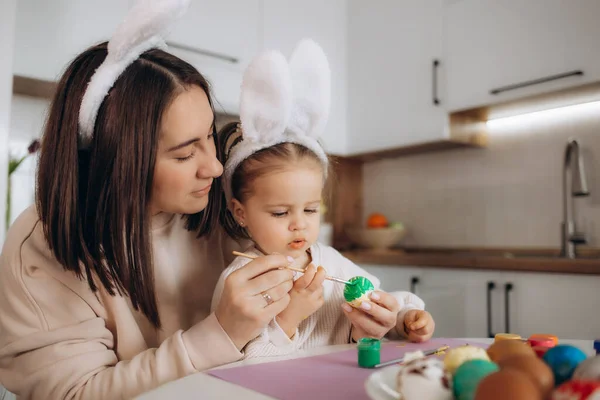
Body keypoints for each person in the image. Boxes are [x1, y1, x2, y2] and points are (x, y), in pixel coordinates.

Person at [0, 1, 296, 399]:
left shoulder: (220, 207)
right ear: (116, 160)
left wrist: (376, 316)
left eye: (210, 135)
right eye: (184, 153)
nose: (213, 167)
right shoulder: (45, 244)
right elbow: (75, 393)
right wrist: (220, 333)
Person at [211, 39, 435, 360]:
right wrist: (291, 316)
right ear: (241, 212)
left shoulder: (329, 260)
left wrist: (402, 319)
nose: (299, 223)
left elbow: (375, 302)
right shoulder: (240, 281)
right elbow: (240, 364)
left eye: (311, 209)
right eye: (279, 212)